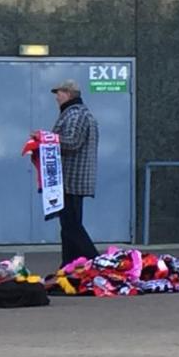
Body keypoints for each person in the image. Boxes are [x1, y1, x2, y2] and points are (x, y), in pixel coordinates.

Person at [48, 79, 100, 266]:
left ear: (68, 94)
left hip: (71, 179)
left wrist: (46, 139)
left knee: (71, 226)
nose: (56, 97)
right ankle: (69, 265)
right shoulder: (79, 113)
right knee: (68, 226)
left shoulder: (75, 115)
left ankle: (96, 261)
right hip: (74, 179)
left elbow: (72, 142)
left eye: (59, 93)